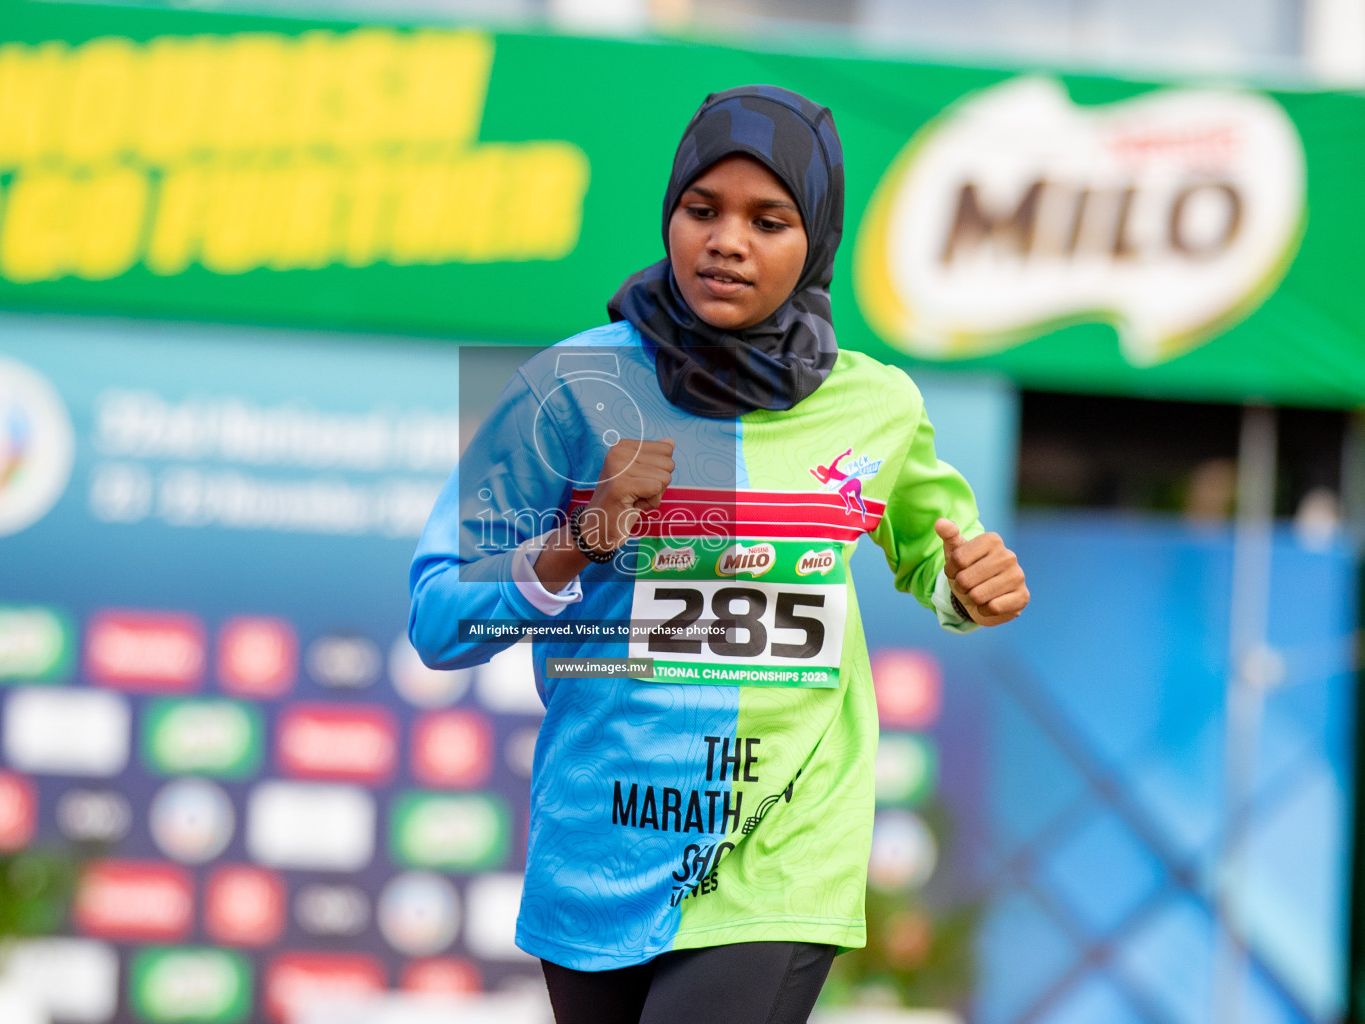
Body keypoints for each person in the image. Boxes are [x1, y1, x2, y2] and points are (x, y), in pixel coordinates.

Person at [408, 85, 1029, 1024]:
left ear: (815, 238)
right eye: (703, 210)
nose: (727, 240)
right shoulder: (570, 389)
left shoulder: (880, 406)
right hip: (600, 846)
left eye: (768, 219)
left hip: (781, 847)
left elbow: (941, 562)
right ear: (671, 217)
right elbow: (436, 623)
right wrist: (578, 542)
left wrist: (969, 588)